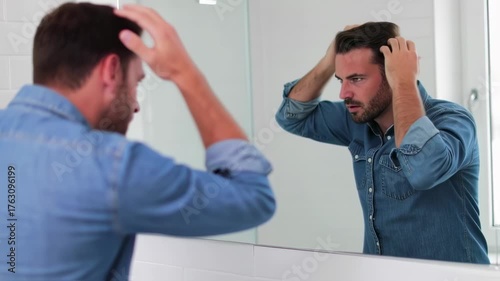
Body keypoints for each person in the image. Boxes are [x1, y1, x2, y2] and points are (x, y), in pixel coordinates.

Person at [0, 3, 275, 280]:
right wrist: (184, 73)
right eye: (137, 82)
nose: (135, 106)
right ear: (111, 71)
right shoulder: (110, 166)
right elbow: (253, 196)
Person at [275, 22, 490, 264]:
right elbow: (291, 117)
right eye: (340, 80)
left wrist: (404, 82)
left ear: (391, 74)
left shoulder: (452, 120)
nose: (344, 93)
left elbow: (423, 171)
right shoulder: (357, 120)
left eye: (356, 79)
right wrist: (329, 60)